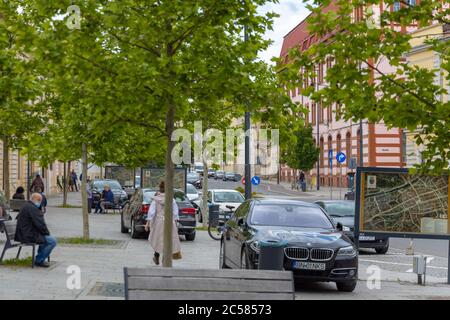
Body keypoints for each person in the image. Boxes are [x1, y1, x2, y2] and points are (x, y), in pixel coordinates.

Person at [14, 193, 57, 267]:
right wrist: (47, 233)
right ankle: (39, 260)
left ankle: (40, 258)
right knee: (52, 241)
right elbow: (40, 224)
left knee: (45, 239)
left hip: (24, 233)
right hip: (28, 235)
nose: (40, 202)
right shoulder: (32, 208)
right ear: (34, 199)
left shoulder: (27, 206)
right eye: (39, 200)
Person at [144, 181, 182, 265]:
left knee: (158, 239)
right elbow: (175, 212)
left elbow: (151, 212)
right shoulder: (171, 200)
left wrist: (147, 223)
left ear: (160, 189)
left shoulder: (156, 200)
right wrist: (175, 222)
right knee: (169, 239)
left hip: (159, 221)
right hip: (169, 221)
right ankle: (165, 258)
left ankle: (156, 255)